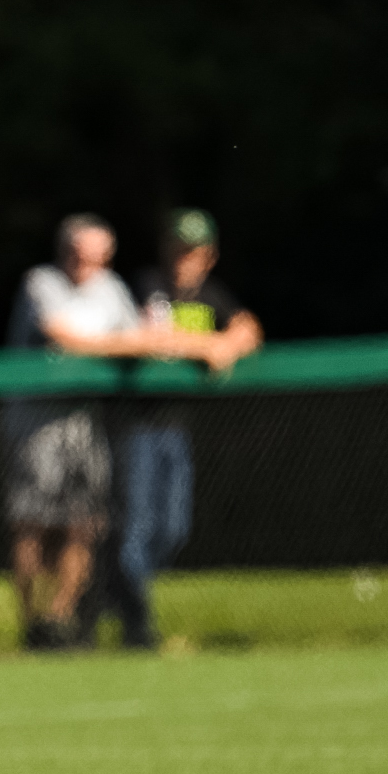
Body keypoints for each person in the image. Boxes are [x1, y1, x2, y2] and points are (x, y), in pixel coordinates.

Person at [4, 214, 183, 649]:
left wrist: (135, 341)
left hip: (84, 421)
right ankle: (32, 622)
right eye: (78, 255)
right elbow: (65, 338)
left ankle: (59, 618)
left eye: (96, 257)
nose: (85, 265)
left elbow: (144, 337)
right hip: (36, 421)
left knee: (84, 523)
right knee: (34, 524)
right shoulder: (41, 283)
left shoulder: (111, 289)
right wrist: (125, 344)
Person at [114, 210, 262, 647]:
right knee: (137, 528)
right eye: (178, 248)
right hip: (137, 426)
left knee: (175, 528)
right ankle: (135, 625)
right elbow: (150, 338)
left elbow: (248, 328)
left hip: (176, 428)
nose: (184, 258)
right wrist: (207, 345)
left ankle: (118, 591)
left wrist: (230, 343)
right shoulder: (144, 287)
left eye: (193, 251)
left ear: (208, 255)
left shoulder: (210, 295)